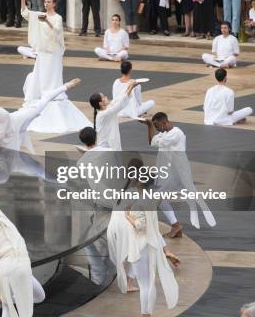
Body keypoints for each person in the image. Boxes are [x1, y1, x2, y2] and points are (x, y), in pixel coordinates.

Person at [20, 0, 91, 133]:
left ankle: (53, 93)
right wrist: (23, 0)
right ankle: (43, 92)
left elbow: (57, 30)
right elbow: (26, 13)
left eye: (49, 2)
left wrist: (46, 21)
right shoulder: (39, 15)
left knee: (53, 72)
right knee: (42, 71)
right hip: (43, 50)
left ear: (54, 4)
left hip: (54, 50)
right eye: (45, 1)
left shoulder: (57, 17)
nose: (46, 4)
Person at [106, 181, 179, 316]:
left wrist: (128, 216)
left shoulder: (138, 203)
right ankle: (146, 313)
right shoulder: (151, 201)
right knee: (148, 283)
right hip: (149, 245)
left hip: (139, 246)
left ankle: (145, 313)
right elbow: (153, 228)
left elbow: (140, 225)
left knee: (144, 285)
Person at [140, 112, 216, 237]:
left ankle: (173, 224)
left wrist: (150, 126)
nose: (157, 128)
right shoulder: (164, 133)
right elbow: (152, 142)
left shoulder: (176, 134)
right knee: (161, 197)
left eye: (157, 125)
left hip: (177, 172)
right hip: (170, 172)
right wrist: (149, 126)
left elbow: (155, 141)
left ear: (164, 123)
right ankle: (176, 225)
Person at [0, 79, 81, 151]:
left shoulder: (2, 113)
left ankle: (65, 86)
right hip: (6, 137)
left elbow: (0, 134)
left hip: (17, 119)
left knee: (41, 104)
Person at [89, 80, 139, 150]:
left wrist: (130, 86)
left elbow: (118, 99)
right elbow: (119, 103)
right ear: (100, 103)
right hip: (108, 145)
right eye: (103, 97)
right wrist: (131, 87)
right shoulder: (103, 114)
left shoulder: (105, 110)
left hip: (109, 143)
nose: (106, 97)